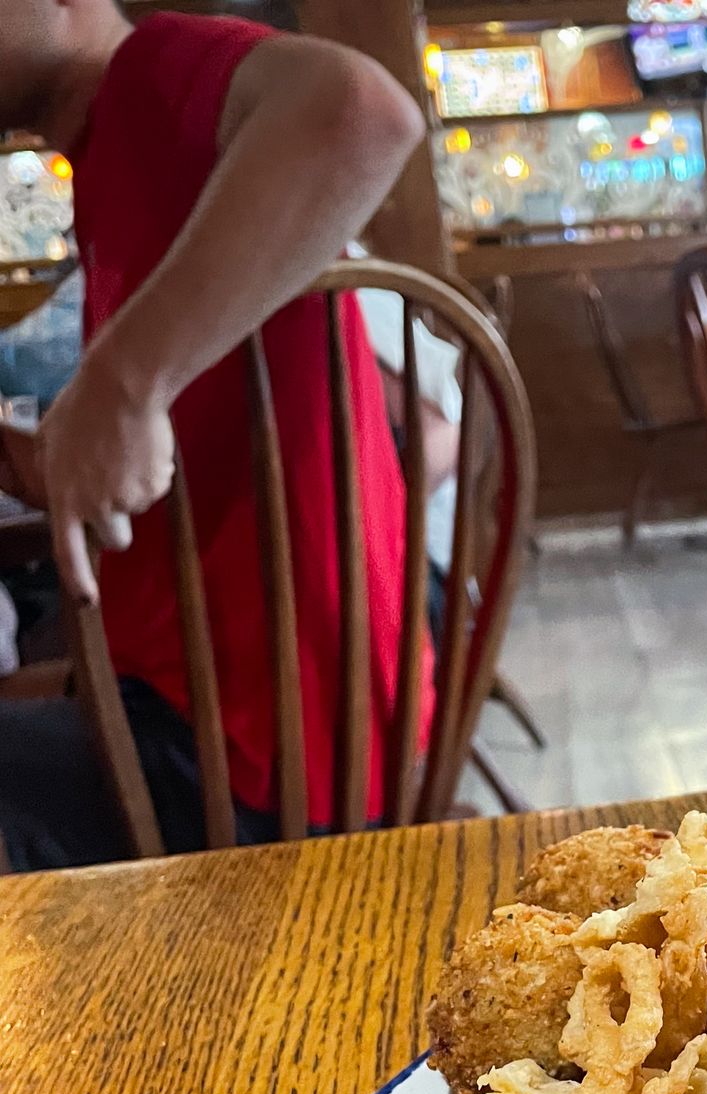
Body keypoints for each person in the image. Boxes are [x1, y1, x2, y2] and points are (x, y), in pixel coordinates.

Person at [0, 1, 429, 868]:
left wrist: (122, 382)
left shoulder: (151, 76)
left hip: (258, 751)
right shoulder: (112, 157)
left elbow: (363, 112)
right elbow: (135, 479)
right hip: (223, 715)